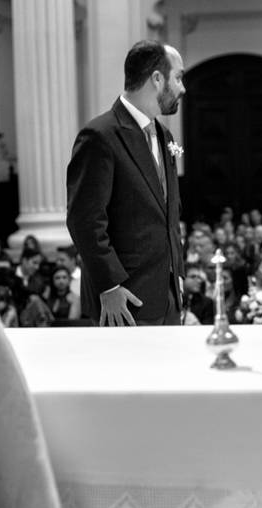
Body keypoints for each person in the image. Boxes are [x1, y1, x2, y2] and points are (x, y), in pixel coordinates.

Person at [66, 40, 186, 326]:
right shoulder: (100, 135)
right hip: (124, 299)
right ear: (157, 79)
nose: (182, 88)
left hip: (167, 296)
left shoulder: (164, 137)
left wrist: (176, 274)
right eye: (178, 77)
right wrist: (109, 287)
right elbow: (85, 220)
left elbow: (168, 215)